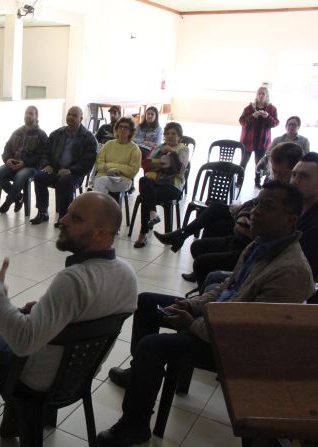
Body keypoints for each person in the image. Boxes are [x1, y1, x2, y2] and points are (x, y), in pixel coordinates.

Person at [98, 181, 315, 447]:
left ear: (291, 220)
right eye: (257, 203)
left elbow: (251, 338)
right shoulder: (261, 245)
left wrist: (193, 324)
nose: (256, 211)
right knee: (146, 303)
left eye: (267, 207)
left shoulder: (290, 271)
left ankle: (134, 426)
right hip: (220, 320)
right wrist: (193, 305)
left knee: (152, 346)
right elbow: (227, 287)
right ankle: (139, 374)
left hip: (239, 350)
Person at [0, 192, 138, 439]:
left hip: (36, 381)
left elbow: (23, 341)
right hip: (78, 376)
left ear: (102, 233)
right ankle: (18, 417)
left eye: (76, 218)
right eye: (67, 212)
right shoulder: (127, 275)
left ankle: (21, 408)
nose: (63, 220)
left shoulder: (73, 280)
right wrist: (43, 308)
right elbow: (93, 310)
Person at [157, 142, 303, 288]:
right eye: (274, 172)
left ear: (295, 170)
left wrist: (241, 214)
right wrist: (242, 211)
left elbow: (259, 220)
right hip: (246, 232)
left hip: (250, 240)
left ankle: (182, 238)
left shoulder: (291, 197)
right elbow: (253, 203)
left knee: (212, 229)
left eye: (282, 173)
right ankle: (182, 236)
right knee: (216, 210)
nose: (276, 177)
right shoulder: (278, 185)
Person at [29, 106, 97, 227]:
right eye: (69, 114)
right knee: (39, 176)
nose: (70, 117)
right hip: (55, 169)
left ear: (81, 119)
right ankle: (42, 211)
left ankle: (64, 216)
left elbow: (87, 162)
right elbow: (45, 152)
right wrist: (47, 164)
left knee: (65, 181)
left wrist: (70, 170)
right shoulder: (57, 134)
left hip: (75, 173)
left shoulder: (88, 138)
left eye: (74, 115)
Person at [133, 122, 189, 248]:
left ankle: (143, 234)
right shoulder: (158, 147)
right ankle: (153, 214)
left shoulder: (183, 149)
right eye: (167, 133)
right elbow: (146, 165)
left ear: (179, 136)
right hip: (154, 184)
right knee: (143, 181)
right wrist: (164, 164)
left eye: (173, 134)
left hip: (172, 186)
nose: (170, 136)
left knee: (146, 195)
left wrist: (172, 153)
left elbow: (179, 170)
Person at [0, 106, 48, 213]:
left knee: (20, 177)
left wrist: (25, 162)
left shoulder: (41, 135)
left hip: (30, 166)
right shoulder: (17, 131)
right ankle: (18, 197)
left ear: (36, 117)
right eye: (26, 113)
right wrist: (7, 159)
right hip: (13, 162)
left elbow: (42, 155)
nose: (27, 115)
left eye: (31, 114)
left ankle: (8, 201)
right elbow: (7, 147)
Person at [239, 86, 279, 187]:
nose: (261, 96)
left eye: (263, 94)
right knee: (243, 162)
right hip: (248, 140)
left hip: (262, 141)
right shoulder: (249, 108)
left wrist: (268, 117)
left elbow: (275, 123)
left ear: (267, 96)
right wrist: (253, 116)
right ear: (256, 95)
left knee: (260, 164)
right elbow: (242, 122)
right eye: (259, 93)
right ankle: (239, 181)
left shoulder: (272, 109)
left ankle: (257, 182)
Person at [92, 117, 141, 195]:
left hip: (123, 180)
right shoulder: (108, 144)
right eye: (120, 126)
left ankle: (97, 206)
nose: (122, 129)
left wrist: (110, 166)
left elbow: (132, 171)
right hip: (103, 176)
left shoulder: (134, 149)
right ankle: (101, 206)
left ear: (130, 131)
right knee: (100, 181)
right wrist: (112, 169)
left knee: (100, 182)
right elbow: (98, 165)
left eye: (125, 127)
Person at [291, 152, 318, 280]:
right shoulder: (292, 206)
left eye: (304, 176)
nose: (295, 181)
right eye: (294, 174)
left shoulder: (315, 225)